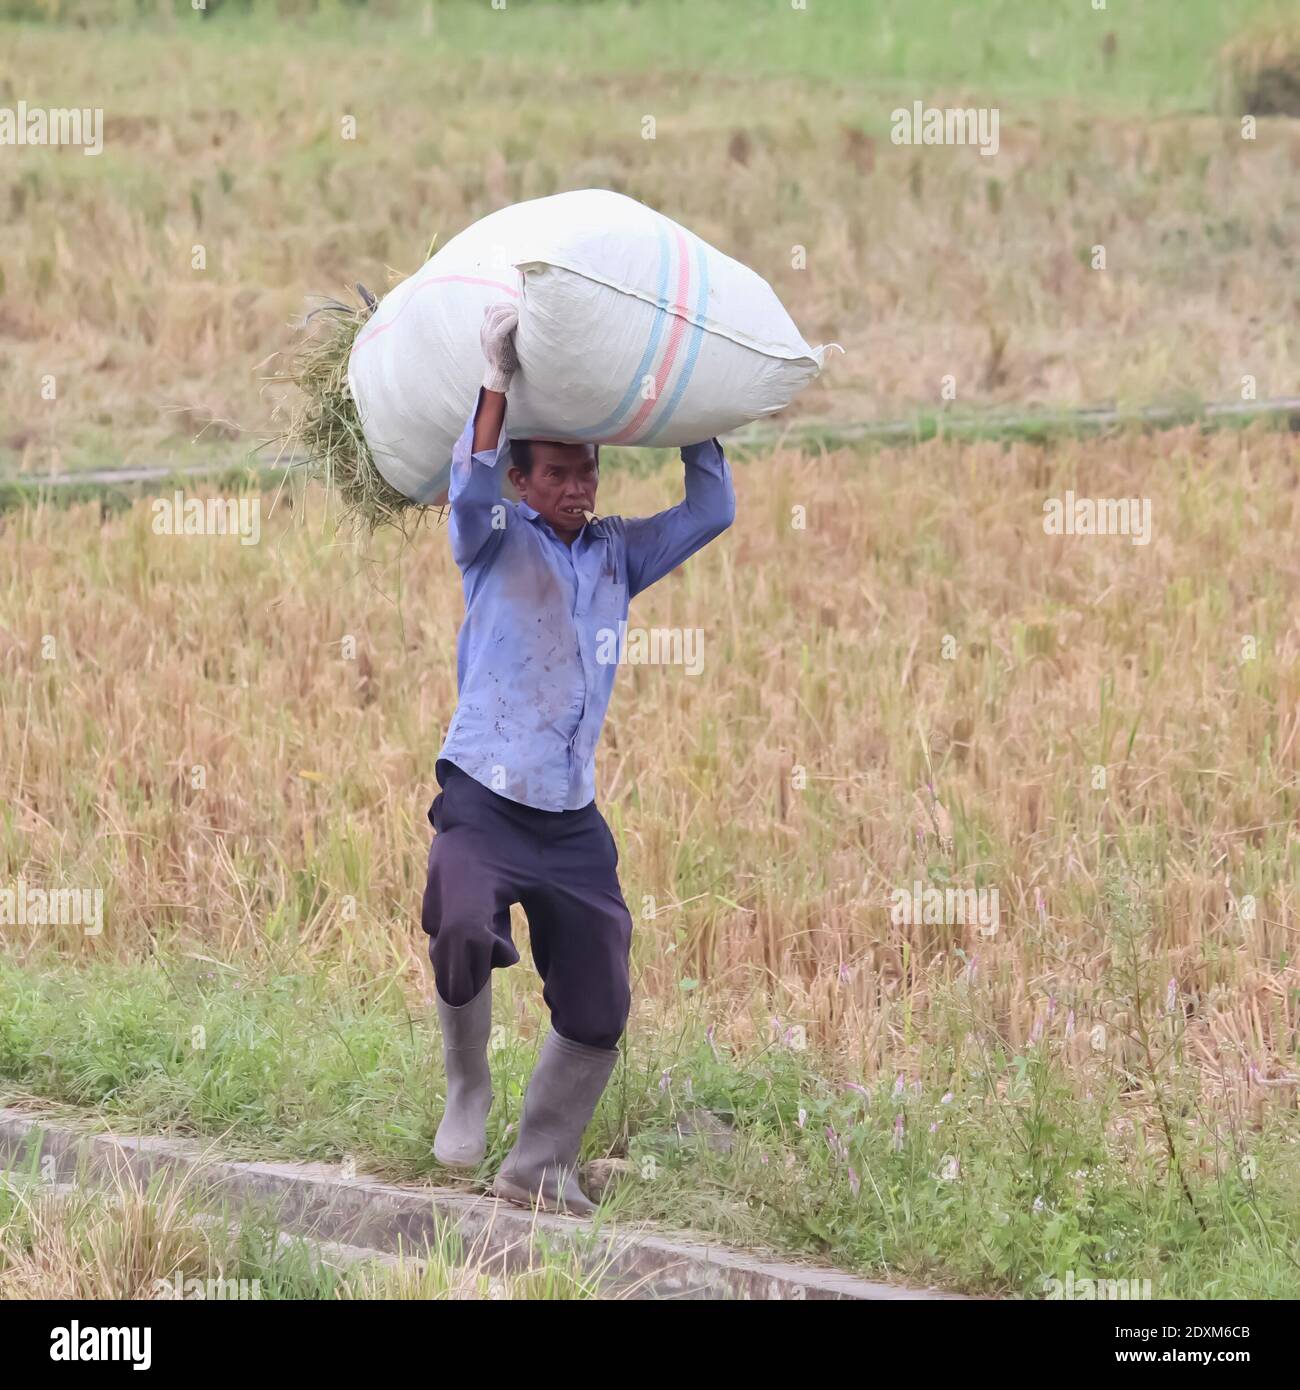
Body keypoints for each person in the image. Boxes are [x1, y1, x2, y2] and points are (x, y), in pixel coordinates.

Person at [422, 301, 736, 1216]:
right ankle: (467, 1088)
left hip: (570, 815)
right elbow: (470, 484)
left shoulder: (618, 555)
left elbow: (712, 506)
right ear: (523, 481)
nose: (579, 488)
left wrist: (696, 403)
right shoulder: (490, 540)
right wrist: (495, 376)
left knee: (602, 991)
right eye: (557, 473)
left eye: (588, 470)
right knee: (460, 923)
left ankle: (540, 1167)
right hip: (484, 792)